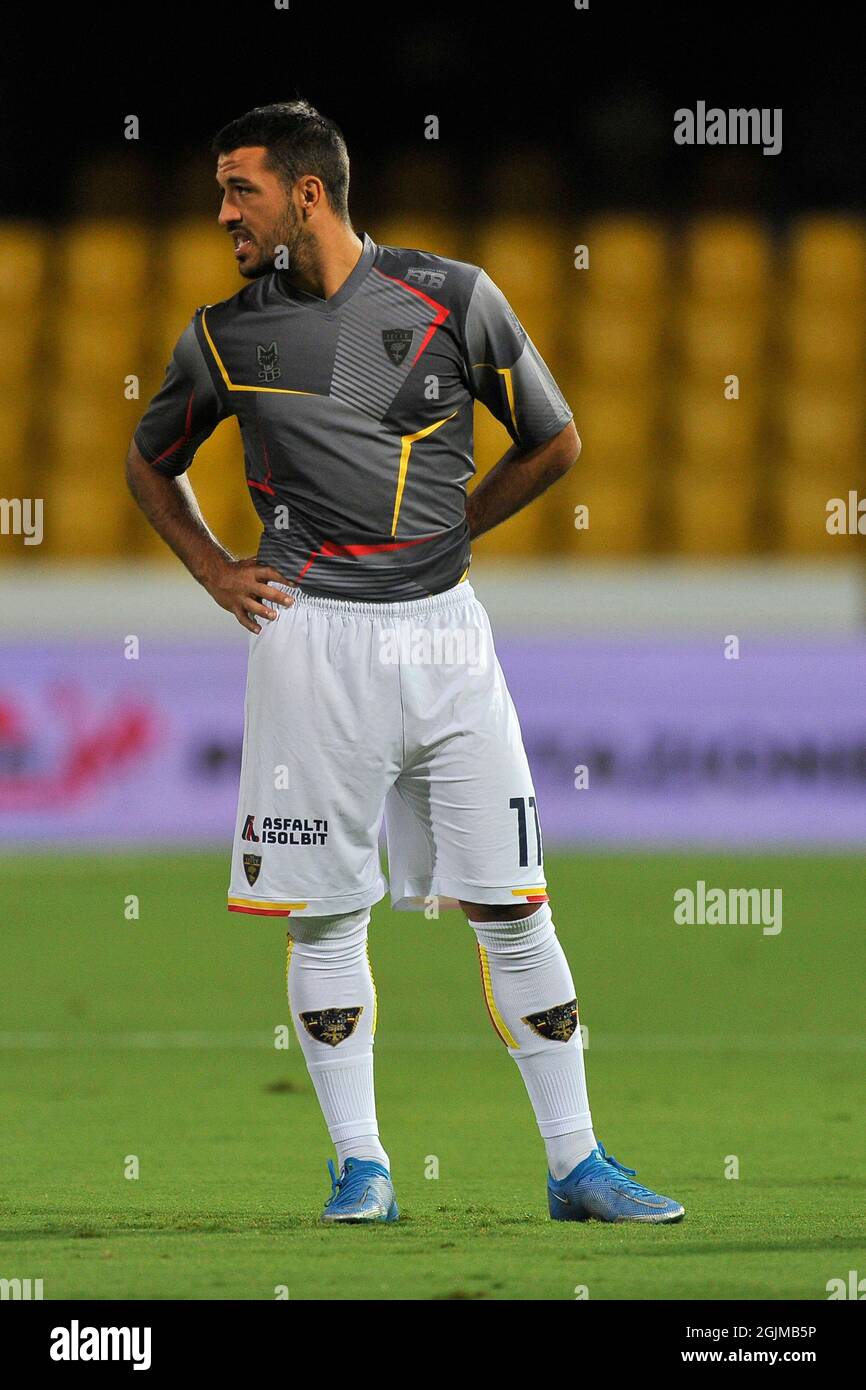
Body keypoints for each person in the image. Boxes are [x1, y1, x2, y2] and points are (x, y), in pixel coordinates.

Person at [127, 99, 684, 1226]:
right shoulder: (224, 336)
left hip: (446, 637)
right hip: (307, 638)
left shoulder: (454, 299)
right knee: (327, 916)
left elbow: (556, 439)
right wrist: (213, 569)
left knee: (513, 904)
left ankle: (576, 1163)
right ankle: (361, 1166)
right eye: (221, 189)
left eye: (240, 189)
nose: (222, 210)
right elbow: (148, 463)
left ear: (307, 193)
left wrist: (452, 535)